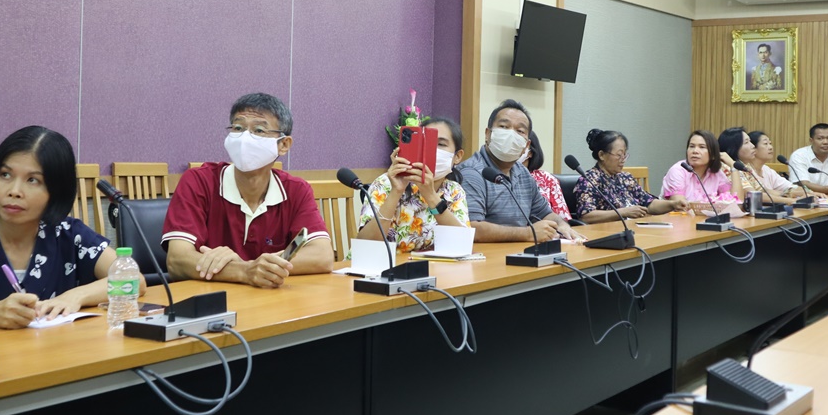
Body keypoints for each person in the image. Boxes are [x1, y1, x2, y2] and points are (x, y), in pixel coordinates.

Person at [0, 126, 130, 329]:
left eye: (32, 180)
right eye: (5, 175)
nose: (14, 191)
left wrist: (76, 296)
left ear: (56, 192)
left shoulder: (68, 234)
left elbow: (131, 279)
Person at [163, 93, 334, 288]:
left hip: (269, 301)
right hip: (212, 300)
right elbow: (177, 261)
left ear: (283, 145)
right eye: (238, 128)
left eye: (259, 130)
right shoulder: (198, 181)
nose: (244, 138)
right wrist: (245, 271)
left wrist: (258, 267)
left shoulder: (296, 190)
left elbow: (322, 255)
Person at [457, 99, 585, 243]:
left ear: (526, 145)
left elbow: (544, 213)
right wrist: (528, 233)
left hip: (519, 251)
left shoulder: (522, 173)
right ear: (488, 134)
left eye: (520, 131)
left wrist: (562, 225)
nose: (511, 135)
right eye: (504, 127)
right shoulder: (471, 172)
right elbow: (472, 228)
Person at [356, 117, 469, 253]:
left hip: (428, 265)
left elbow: (462, 244)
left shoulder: (454, 190)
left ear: (457, 156)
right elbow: (365, 246)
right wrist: (396, 192)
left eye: (441, 144)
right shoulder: (386, 183)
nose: (432, 150)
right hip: (383, 263)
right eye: (427, 143)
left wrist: (431, 196)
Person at [574, 129, 687, 223]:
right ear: (601, 155)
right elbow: (586, 216)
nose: (623, 160)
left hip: (635, 229)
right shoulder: (589, 180)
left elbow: (649, 204)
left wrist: (673, 204)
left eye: (624, 155)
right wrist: (624, 212)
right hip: (608, 233)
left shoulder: (626, 178)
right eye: (619, 155)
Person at [661, 130, 743, 205]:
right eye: (692, 146)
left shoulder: (716, 174)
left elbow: (736, 202)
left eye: (702, 147)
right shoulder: (678, 170)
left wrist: (733, 166)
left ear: (713, 155)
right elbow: (680, 206)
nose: (695, 151)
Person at [519, 131, 571, 221]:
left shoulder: (546, 179)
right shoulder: (499, 177)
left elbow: (563, 217)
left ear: (530, 152)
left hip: (548, 228)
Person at [746, 131, 810, 203]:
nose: (770, 147)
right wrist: (792, 198)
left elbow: (789, 187)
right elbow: (762, 193)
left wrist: (809, 192)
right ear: (753, 148)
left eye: (770, 143)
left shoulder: (767, 170)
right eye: (765, 144)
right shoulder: (745, 170)